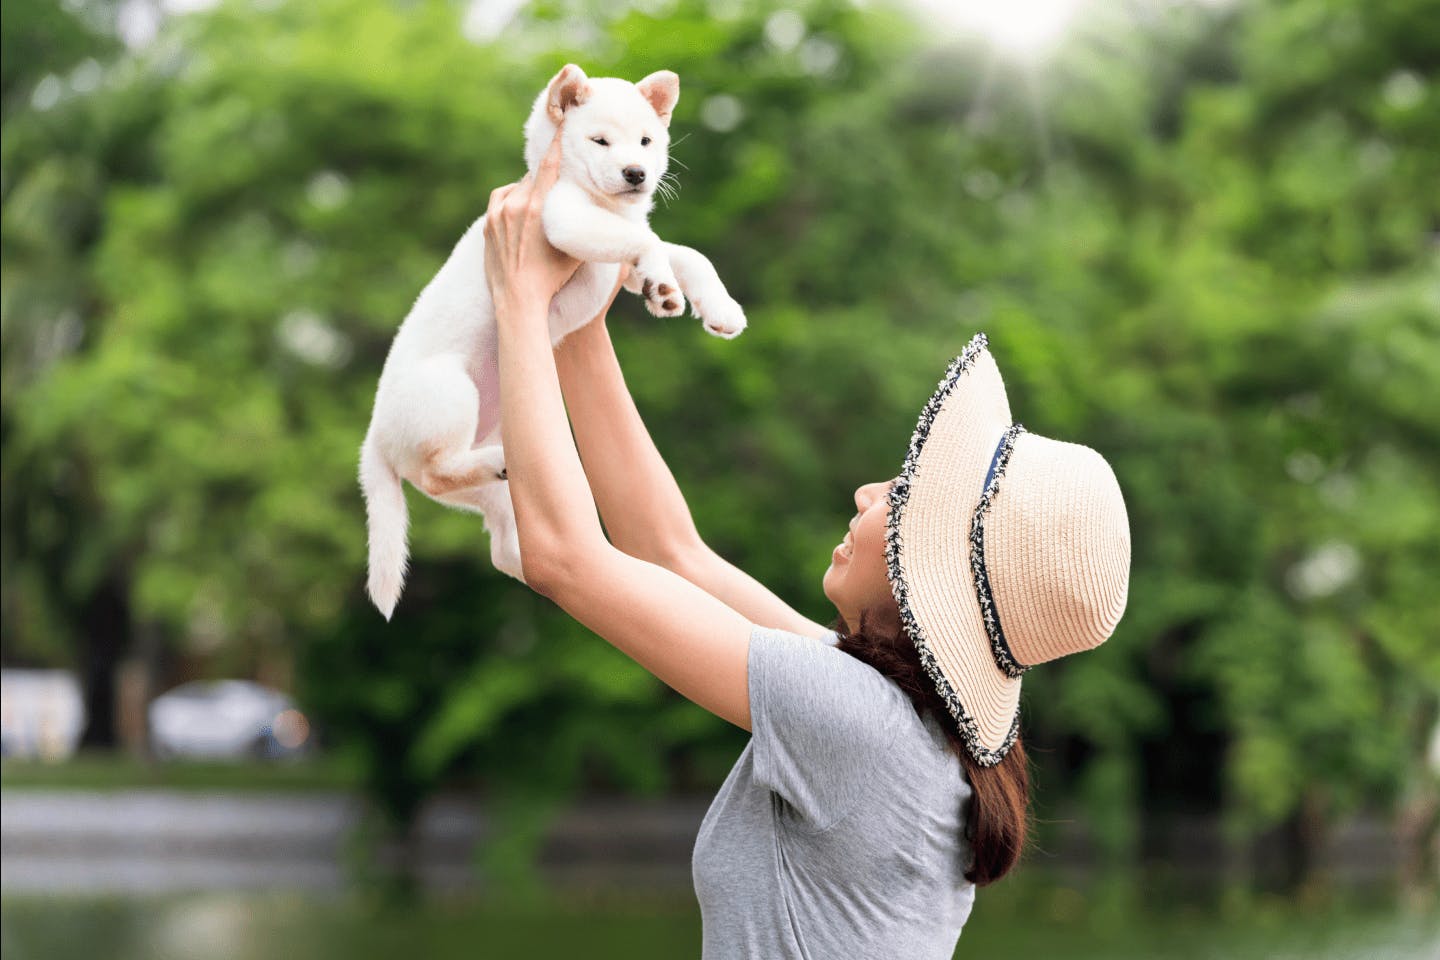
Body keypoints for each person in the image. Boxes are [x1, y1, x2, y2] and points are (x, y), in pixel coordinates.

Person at [481, 134, 1131, 959]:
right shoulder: (895, 719)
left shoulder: (858, 722)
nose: (867, 493)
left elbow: (564, 556)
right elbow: (669, 551)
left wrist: (518, 299)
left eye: (899, 498)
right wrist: (575, 318)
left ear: (919, 577)